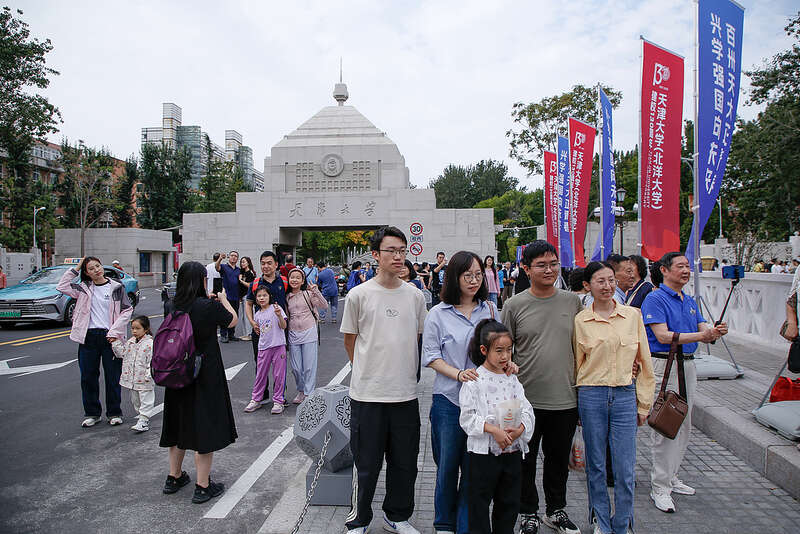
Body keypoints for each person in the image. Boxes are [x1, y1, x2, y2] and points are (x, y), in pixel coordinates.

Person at [340, 226, 427, 534]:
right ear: (376, 255)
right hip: (367, 395)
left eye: (403, 250)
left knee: (405, 462)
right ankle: (359, 519)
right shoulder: (358, 295)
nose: (399, 256)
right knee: (366, 463)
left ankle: (397, 516)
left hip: (405, 395)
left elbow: (416, 338)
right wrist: (368, 369)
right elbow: (350, 341)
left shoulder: (416, 296)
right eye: (392, 250)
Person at [501, 241, 582, 534]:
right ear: (526, 268)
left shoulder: (573, 302)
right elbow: (504, 350)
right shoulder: (514, 305)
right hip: (527, 400)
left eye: (553, 263)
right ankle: (528, 512)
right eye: (541, 265)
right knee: (525, 460)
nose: (549, 270)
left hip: (565, 398)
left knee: (558, 461)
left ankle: (556, 510)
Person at [422, 250, 504, 534]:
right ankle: (444, 523)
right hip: (449, 400)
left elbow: (498, 348)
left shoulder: (490, 310)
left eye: (478, 275)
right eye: (467, 275)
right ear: (454, 277)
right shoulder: (437, 314)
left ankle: (465, 524)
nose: (473, 280)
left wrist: (508, 362)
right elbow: (431, 356)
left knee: (474, 467)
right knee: (447, 466)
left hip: (483, 403)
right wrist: (458, 374)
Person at [641, 252, 728, 513]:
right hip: (664, 365)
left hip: (687, 365)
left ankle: (672, 476)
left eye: (688, 266)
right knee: (665, 424)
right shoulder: (655, 298)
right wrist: (703, 335)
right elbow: (663, 335)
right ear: (664, 271)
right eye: (680, 266)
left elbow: (703, 328)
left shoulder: (688, 300)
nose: (686, 270)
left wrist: (713, 332)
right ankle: (660, 486)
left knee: (684, 424)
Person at [573, 262, 655, 534]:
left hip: (623, 395)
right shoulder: (581, 320)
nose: (607, 286)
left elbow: (644, 362)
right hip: (591, 395)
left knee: (624, 467)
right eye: (600, 281)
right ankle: (600, 521)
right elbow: (577, 364)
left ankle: (624, 522)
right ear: (588, 286)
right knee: (595, 465)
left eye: (611, 280)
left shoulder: (633, 316)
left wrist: (644, 404)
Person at [159, 261, 238, 504]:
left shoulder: (171, 305)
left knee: (178, 423)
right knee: (204, 426)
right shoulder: (208, 306)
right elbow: (232, 321)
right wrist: (223, 300)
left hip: (177, 373)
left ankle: (174, 477)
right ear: (202, 281)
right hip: (204, 373)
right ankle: (203, 486)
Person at [459, 319, 534, 534]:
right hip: (483, 455)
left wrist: (520, 429)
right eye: (498, 350)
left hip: (511, 451)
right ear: (484, 350)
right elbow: (467, 418)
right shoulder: (474, 380)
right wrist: (493, 430)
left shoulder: (512, 379)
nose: (504, 356)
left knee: (509, 503)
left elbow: (527, 409)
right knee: (479, 504)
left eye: (509, 350)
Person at [57, 256, 133, 428]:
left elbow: (127, 310)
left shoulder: (116, 287)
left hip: (110, 337)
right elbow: (61, 286)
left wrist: (114, 331)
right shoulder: (83, 288)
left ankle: (114, 412)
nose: (96, 270)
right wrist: (75, 268)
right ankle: (92, 413)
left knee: (112, 377)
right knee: (88, 377)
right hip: (88, 337)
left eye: (98, 266)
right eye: (91, 269)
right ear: (86, 273)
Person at [286, 267, 327, 405]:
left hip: (309, 332)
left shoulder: (308, 294)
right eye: (292, 277)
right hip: (293, 333)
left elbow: (324, 306)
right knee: (296, 367)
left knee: (309, 366)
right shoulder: (287, 297)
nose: (295, 280)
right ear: (288, 279)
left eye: (298, 277)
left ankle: (308, 393)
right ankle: (301, 390)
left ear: (303, 280)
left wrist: (315, 291)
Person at [244, 286, 288, 414]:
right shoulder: (257, 315)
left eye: (264, 295)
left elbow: (283, 326)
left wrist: (279, 316)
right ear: (256, 299)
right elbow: (259, 331)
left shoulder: (276, 309)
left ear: (269, 297)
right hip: (263, 348)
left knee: (279, 375)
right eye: (259, 296)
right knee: (260, 374)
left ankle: (278, 401)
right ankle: (256, 399)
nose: (262, 298)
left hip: (278, 346)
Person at [112, 315, 156, 433]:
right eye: (132, 328)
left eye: (138, 328)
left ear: (145, 329)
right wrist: (115, 343)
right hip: (132, 379)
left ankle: (143, 420)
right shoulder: (130, 342)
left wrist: (149, 375)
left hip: (145, 379)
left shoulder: (150, 344)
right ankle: (142, 418)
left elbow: (152, 361)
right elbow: (122, 354)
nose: (134, 331)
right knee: (136, 401)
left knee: (146, 400)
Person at [215, 251, 240, 343]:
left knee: (235, 315)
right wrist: (220, 258)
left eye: (236, 256)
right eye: (232, 255)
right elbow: (217, 267)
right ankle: (223, 335)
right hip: (226, 296)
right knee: (225, 315)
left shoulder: (238, 270)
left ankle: (231, 334)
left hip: (236, 296)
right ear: (229, 257)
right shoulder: (224, 267)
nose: (234, 257)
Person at [236, 256, 257, 340]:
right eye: (241, 262)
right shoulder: (243, 272)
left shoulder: (250, 273)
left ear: (248, 262)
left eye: (244, 262)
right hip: (242, 296)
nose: (242, 264)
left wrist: (241, 281)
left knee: (248, 315)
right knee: (244, 316)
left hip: (248, 296)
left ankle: (249, 334)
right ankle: (246, 333)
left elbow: (250, 285)